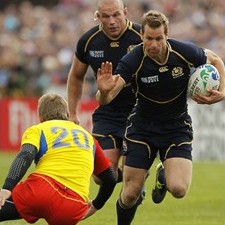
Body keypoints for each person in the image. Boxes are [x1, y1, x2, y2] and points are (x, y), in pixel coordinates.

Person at [96, 10, 225, 225]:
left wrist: (222, 90)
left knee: (179, 189)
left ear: (167, 36)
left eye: (158, 39)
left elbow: (215, 59)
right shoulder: (133, 60)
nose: (153, 44)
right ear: (142, 37)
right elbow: (106, 98)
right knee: (129, 195)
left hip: (176, 127)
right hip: (141, 129)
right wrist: (103, 91)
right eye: (148, 39)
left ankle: (163, 176)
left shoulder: (184, 52)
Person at [0, 93, 117, 225]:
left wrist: (7, 187)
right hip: (74, 204)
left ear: (40, 117)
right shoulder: (88, 138)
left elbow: (25, 155)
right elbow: (110, 178)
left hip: (41, 190)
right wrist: (96, 204)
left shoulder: (38, 129)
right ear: (67, 115)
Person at [66, 0, 142, 184]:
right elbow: (76, 76)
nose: (112, 21)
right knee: (102, 177)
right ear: (97, 16)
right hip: (108, 112)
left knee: (132, 181)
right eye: (106, 16)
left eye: (116, 15)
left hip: (140, 113)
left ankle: (137, 179)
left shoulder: (142, 36)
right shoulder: (88, 41)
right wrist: (73, 113)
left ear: (125, 12)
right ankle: (135, 177)